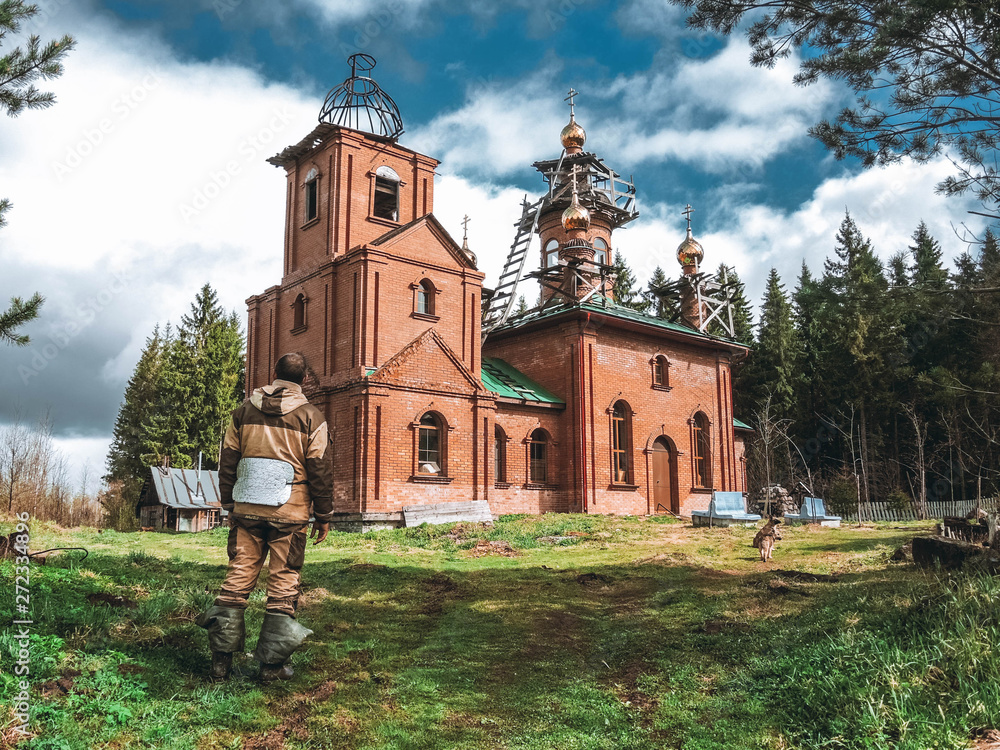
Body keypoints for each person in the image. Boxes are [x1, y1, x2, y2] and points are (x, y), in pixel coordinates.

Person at [197, 352, 333, 682]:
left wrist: (229, 503)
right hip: (291, 512)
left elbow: (227, 460)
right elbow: (319, 469)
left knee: (238, 577)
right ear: (303, 381)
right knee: (284, 581)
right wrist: (324, 514)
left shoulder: (242, 412)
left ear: (274, 375)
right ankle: (272, 667)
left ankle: (220, 663)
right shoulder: (312, 417)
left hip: (246, 508)